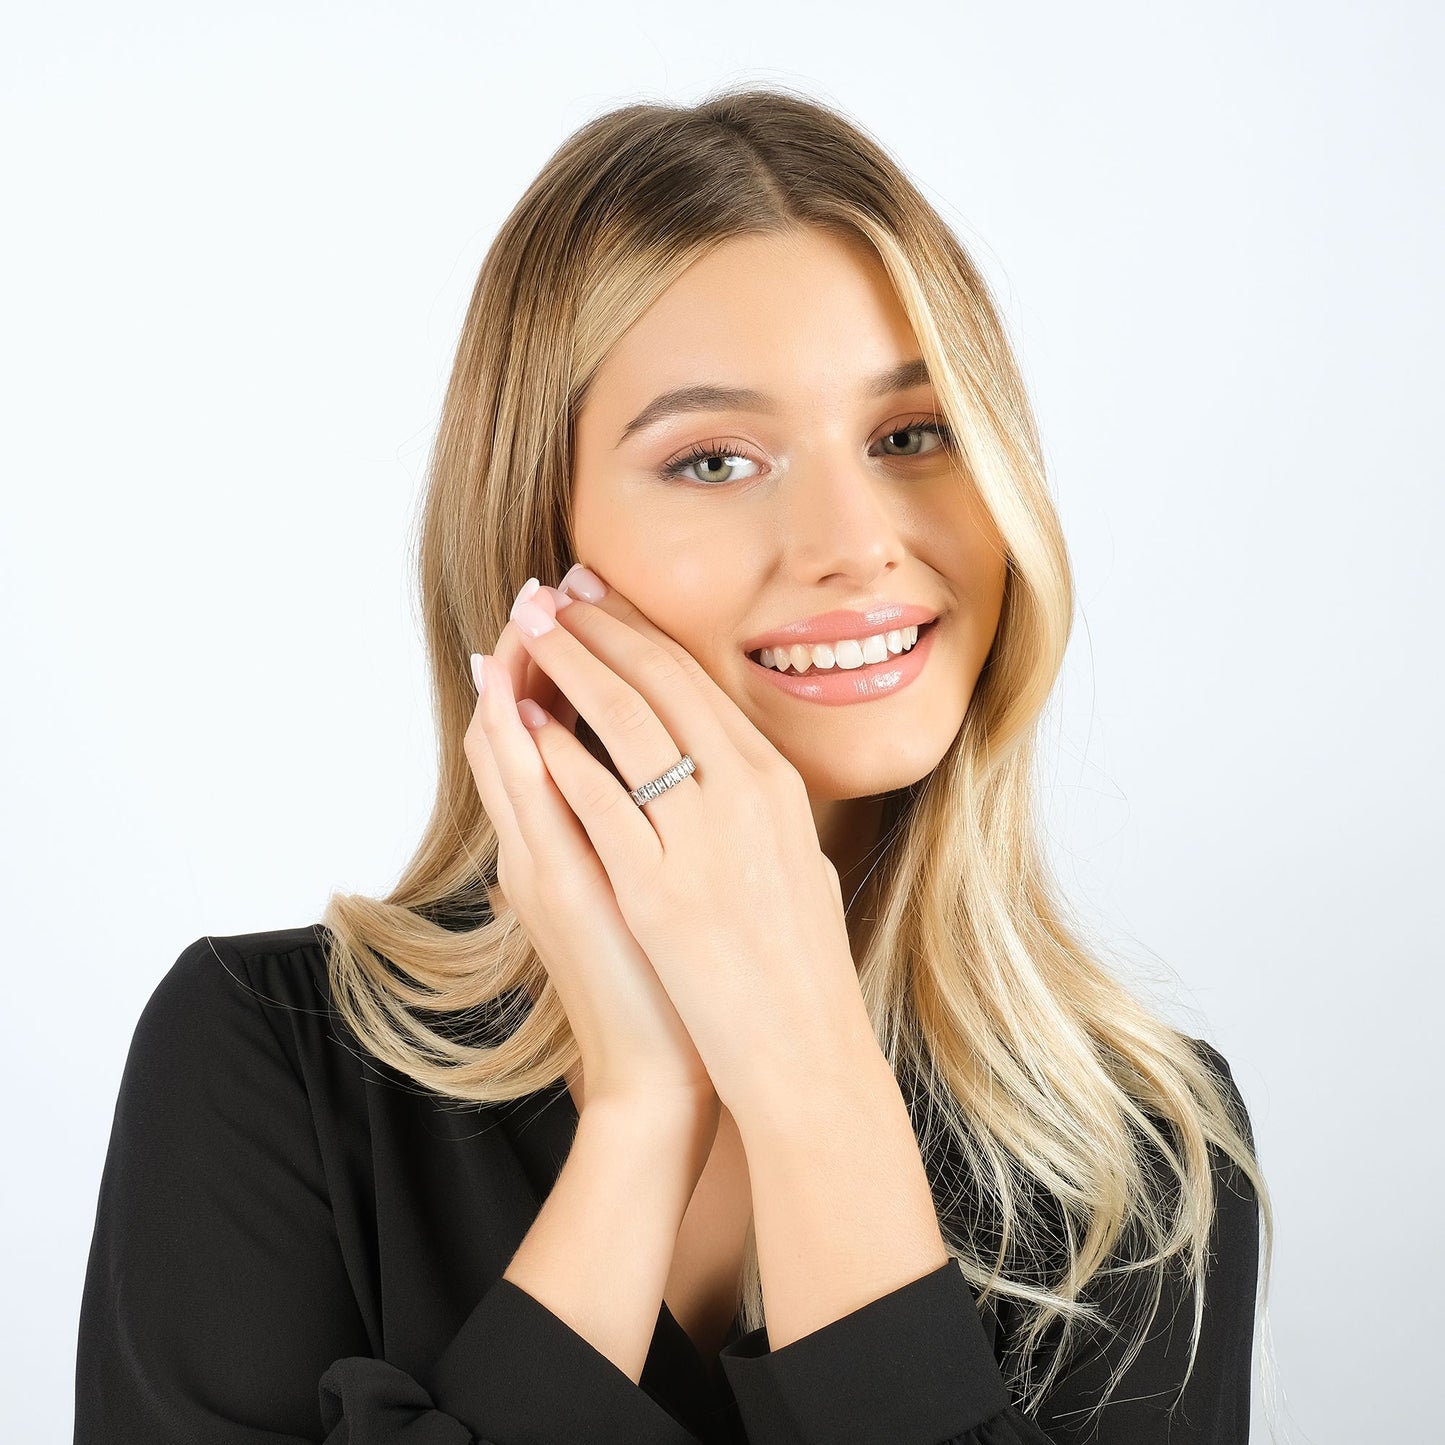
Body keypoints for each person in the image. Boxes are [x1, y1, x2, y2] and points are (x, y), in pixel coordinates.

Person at [74, 85, 1273, 1444]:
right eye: (713, 458)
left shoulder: (1137, 1149)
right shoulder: (264, 1057)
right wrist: (643, 1115)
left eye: (909, 434)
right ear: (539, 546)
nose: (855, 539)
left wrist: (805, 1064)